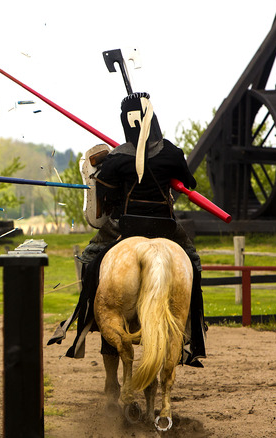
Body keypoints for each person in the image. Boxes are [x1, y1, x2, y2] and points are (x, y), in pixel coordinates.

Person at [51, 91, 205, 367]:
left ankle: (86, 320)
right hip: (166, 227)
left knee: (91, 260)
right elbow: (190, 183)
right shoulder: (171, 153)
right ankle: (195, 331)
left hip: (126, 227)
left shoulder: (117, 159)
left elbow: (105, 204)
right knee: (192, 263)